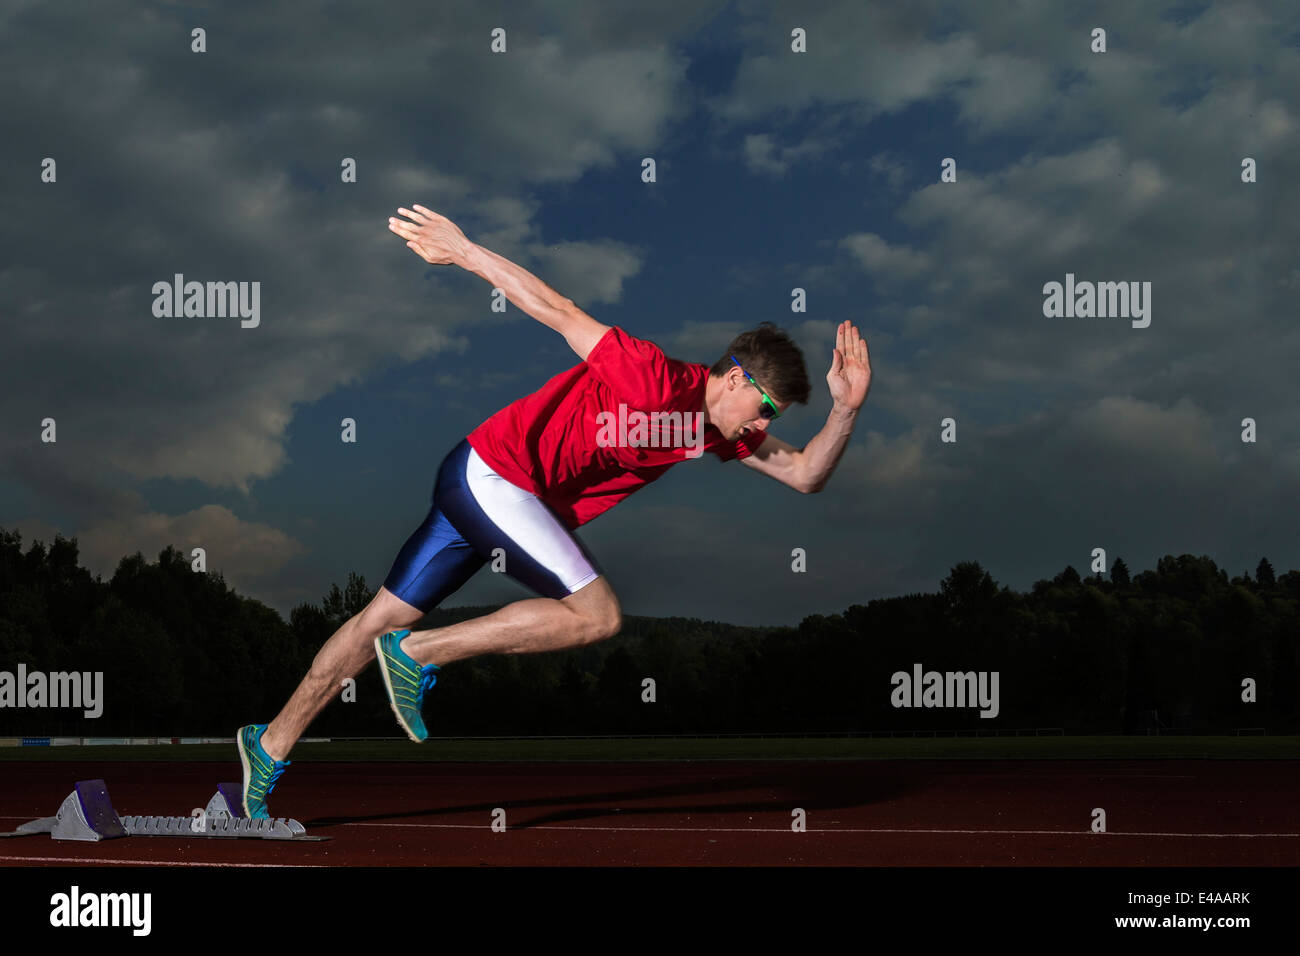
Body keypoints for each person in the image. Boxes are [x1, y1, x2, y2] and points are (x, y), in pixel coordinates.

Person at [236, 205, 872, 818]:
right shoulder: (652, 378)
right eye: (764, 408)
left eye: (773, 419)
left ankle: (267, 747)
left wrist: (845, 410)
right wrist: (463, 251)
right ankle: (422, 653)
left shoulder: (714, 432)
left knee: (374, 621)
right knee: (596, 616)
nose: (763, 424)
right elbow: (559, 310)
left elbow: (806, 474)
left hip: (489, 490)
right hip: (494, 478)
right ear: (733, 379)